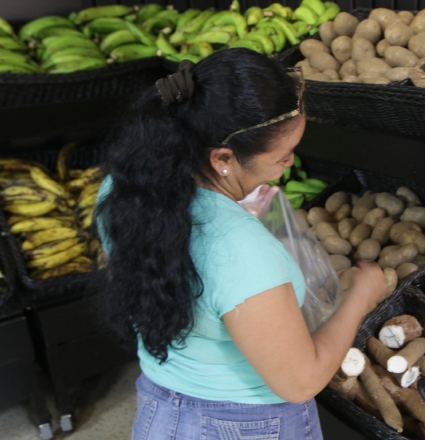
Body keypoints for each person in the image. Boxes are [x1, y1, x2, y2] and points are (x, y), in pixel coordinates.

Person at [95, 49, 387, 440]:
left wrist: (232, 207)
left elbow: (164, 275)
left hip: (160, 412)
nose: (289, 163)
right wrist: (361, 297)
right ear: (224, 159)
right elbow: (300, 382)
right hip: (246, 426)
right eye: (283, 156)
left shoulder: (122, 190)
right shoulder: (239, 247)